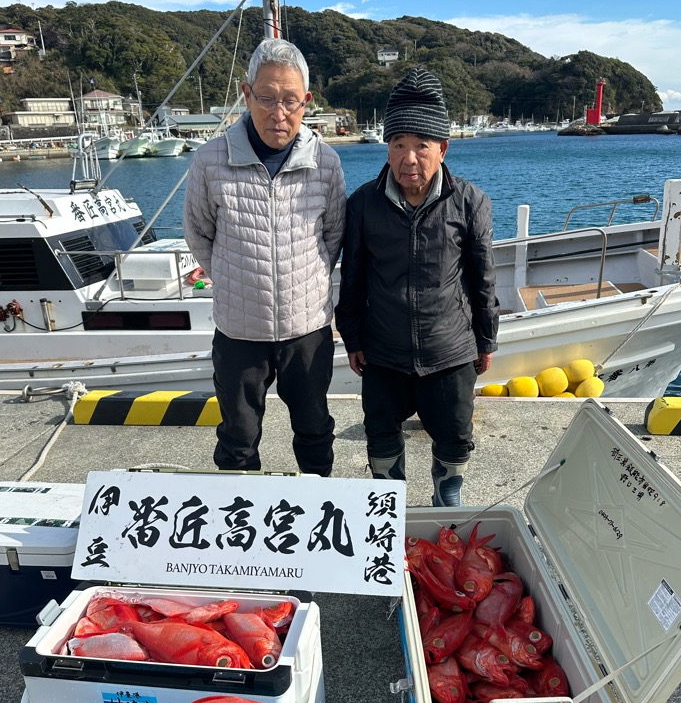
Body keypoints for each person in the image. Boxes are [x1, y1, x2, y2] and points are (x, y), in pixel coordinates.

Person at [335, 67, 499, 506]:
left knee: (455, 436)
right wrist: (353, 336)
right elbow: (352, 278)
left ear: (442, 148)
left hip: (450, 349)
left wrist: (486, 340)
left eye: (421, 145)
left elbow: (482, 278)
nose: (409, 158)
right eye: (398, 144)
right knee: (380, 435)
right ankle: (387, 511)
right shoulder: (363, 204)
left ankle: (447, 501)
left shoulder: (470, 201)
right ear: (387, 148)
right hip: (383, 350)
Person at [183, 38, 346, 476]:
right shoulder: (210, 160)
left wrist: (306, 281)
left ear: (306, 101)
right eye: (267, 98)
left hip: (306, 327)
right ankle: (240, 512)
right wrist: (236, 280)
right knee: (237, 436)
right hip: (239, 330)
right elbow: (199, 233)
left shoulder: (326, 162)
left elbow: (333, 235)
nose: (279, 112)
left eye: (290, 101)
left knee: (314, 429)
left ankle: (318, 504)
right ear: (247, 94)